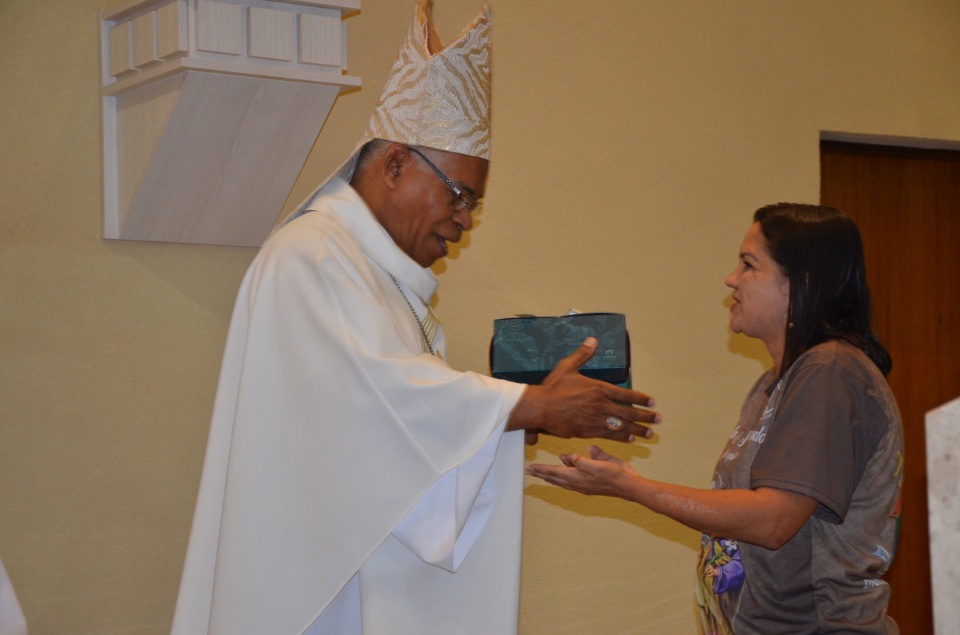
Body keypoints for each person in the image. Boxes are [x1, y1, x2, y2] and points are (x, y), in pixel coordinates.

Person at [170, 2, 660, 634]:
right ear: (395, 164)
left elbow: (393, 434)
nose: (464, 220)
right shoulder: (310, 257)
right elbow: (369, 402)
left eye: (474, 207)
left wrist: (514, 421)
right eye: (460, 196)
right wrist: (527, 405)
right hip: (309, 594)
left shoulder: (374, 275)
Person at [528, 203, 904, 634]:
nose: (731, 279)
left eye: (749, 265)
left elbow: (773, 520)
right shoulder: (772, 383)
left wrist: (631, 487)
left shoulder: (831, 370)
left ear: (800, 283)